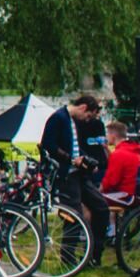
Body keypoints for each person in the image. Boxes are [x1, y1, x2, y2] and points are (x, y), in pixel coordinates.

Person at [41, 94, 109, 258]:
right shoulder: (58, 118)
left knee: (101, 207)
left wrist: (86, 160)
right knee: (74, 215)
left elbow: (75, 148)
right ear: (83, 107)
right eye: (88, 116)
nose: (87, 120)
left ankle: (94, 253)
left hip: (78, 173)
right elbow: (48, 144)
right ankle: (68, 257)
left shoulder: (73, 121)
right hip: (66, 174)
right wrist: (71, 159)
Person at [100, 119, 140, 203]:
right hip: (137, 193)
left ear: (113, 135)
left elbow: (111, 181)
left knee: (93, 199)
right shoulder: (132, 150)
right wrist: (106, 149)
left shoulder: (119, 154)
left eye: (107, 134)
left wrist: (99, 190)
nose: (106, 137)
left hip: (125, 195)